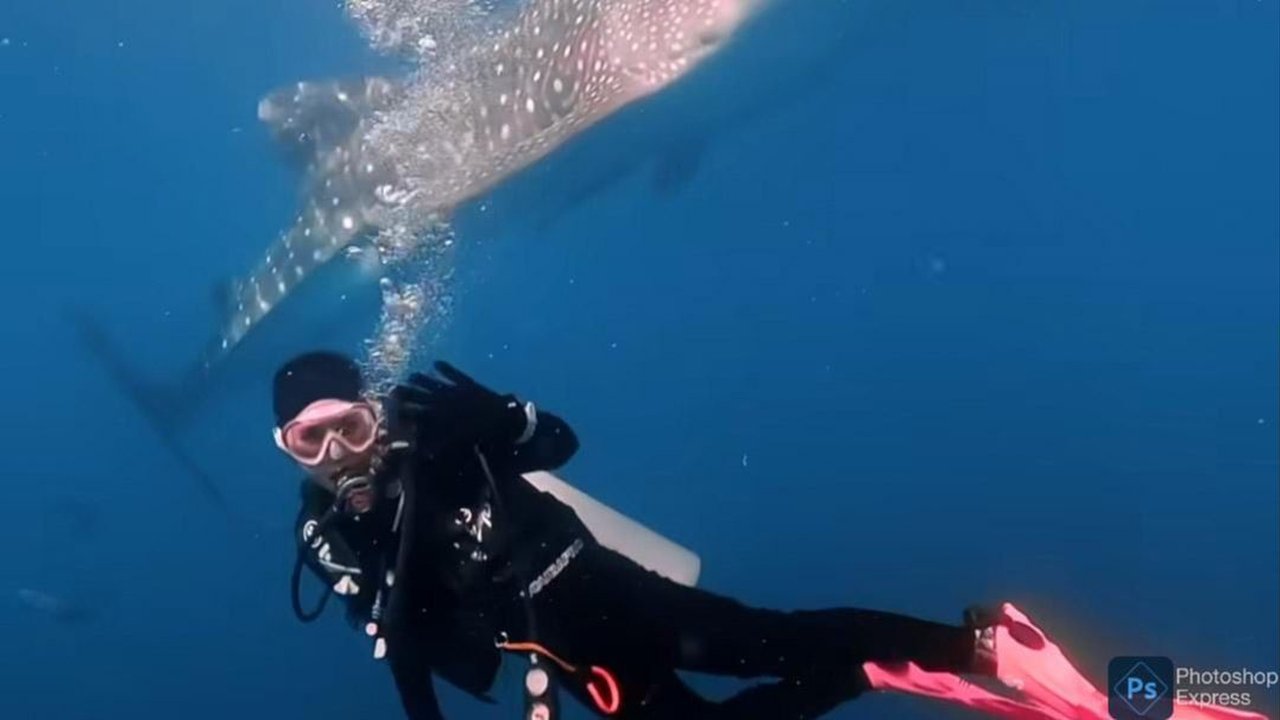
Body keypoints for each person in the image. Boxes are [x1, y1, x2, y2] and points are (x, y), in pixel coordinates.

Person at [274, 350, 1003, 720]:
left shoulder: (437, 430)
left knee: (776, 638)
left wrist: (508, 418)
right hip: (561, 655)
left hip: (607, 587)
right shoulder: (330, 536)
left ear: (374, 415)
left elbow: (559, 445)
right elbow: (406, 646)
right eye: (314, 441)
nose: (340, 454)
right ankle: (870, 672)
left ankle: (981, 647)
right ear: (289, 448)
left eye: (351, 428)